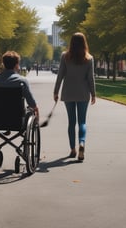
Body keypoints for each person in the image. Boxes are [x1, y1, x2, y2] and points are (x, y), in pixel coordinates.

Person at [53, 32, 96, 161]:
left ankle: (72, 149)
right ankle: (82, 143)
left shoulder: (65, 57)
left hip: (68, 93)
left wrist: (56, 91)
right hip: (83, 93)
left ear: (71, 43)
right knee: (82, 121)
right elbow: (90, 78)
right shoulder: (89, 58)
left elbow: (60, 75)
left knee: (71, 122)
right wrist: (93, 93)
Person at [0, 51, 39, 118]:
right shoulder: (22, 81)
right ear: (16, 65)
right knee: (35, 109)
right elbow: (31, 102)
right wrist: (35, 108)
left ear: (3, 64)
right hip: (16, 118)